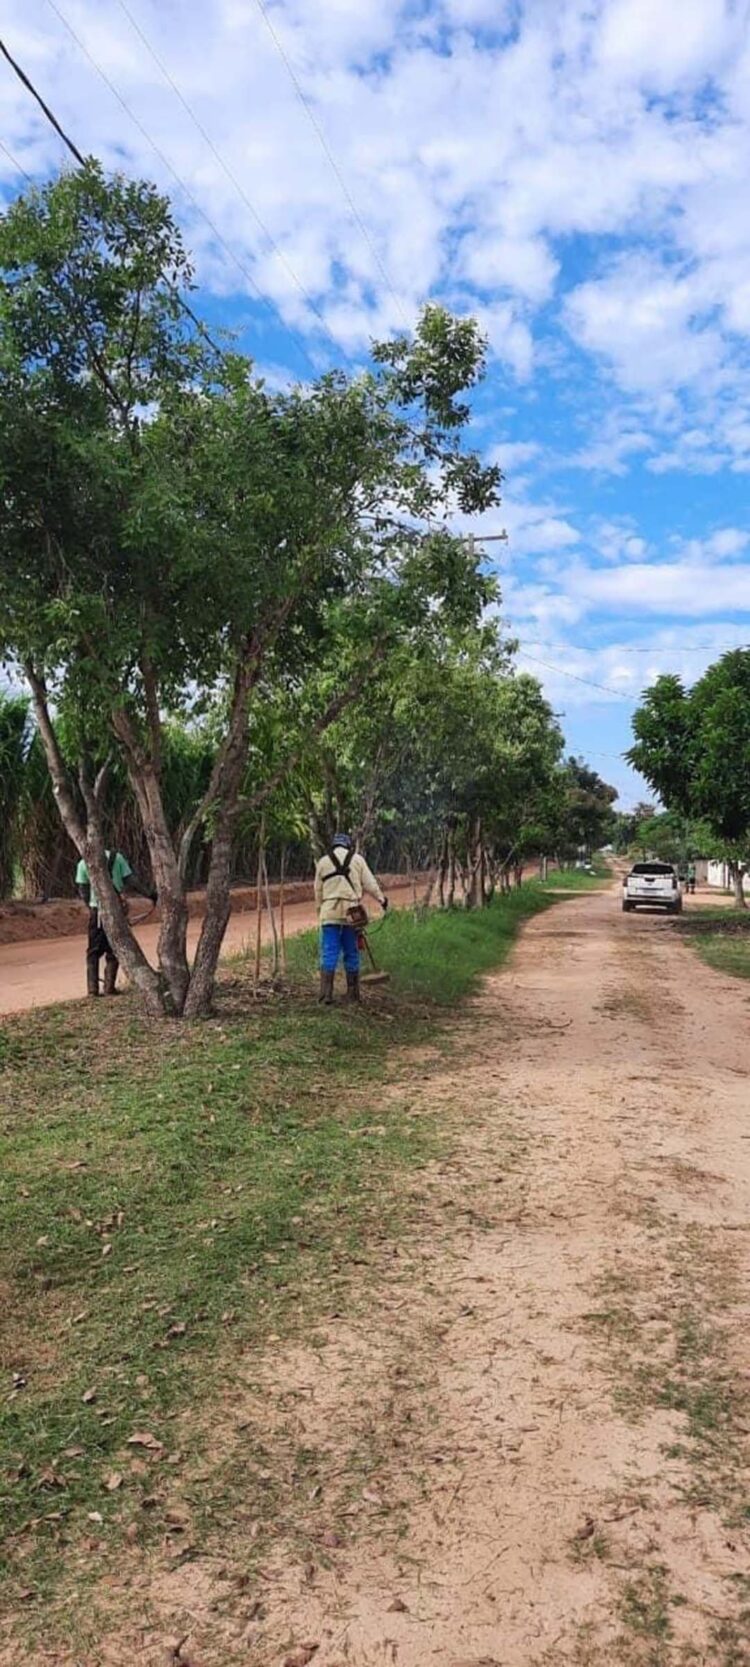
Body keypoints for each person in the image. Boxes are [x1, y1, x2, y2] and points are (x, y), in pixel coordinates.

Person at [314, 833, 388, 1004]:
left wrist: (320, 912)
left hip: (329, 912)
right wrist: (382, 900)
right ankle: (353, 995)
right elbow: (370, 883)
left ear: (333, 846)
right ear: (348, 846)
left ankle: (326, 995)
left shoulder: (323, 862)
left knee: (329, 952)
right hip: (351, 913)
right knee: (351, 951)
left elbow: (317, 890)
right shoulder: (357, 860)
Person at [76, 849, 156, 998]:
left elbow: (83, 890)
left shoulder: (83, 863)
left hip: (97, 912)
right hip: (117, 910)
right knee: (115, 948)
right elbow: (132, 880)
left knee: (93, 952)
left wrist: (92, 906)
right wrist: (150, 894)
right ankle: (109, 987)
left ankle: (92, 990)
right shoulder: (117, 857)